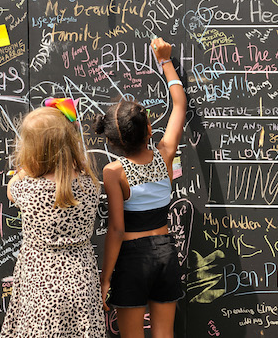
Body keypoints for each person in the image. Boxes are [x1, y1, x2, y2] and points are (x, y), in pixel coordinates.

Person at [95, 37, 186, 338]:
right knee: (164, 335)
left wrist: (106, 278)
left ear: (112, 142)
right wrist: (165, 60)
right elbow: (179, 104)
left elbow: (117, 230)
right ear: (149, 130)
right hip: (165, 253)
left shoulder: (114, 172)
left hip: (132, 259)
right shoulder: (165, 153)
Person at [0, 100, 106, 337]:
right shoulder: (89, 184)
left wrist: (28, 167)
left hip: (39, 284)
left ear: (32, 149)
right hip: (81, 280)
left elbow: (11, 188)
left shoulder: (27, 188)